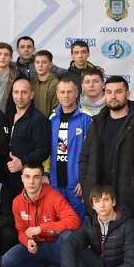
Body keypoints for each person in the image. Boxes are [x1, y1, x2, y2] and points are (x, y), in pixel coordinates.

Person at [79, 76, 134, 221]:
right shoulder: (97, 123)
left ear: (127, 94)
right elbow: (84, 157)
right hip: (99, 202)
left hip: (129, 203)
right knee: (99, 237)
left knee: (130, 237)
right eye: (109, 92)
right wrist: (87, 187)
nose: (113, 96)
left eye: (118, 92)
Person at [0, 163, 81, 267]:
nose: (31, 182)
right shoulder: (17, 202)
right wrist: (27, 241)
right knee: (7, 262)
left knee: (68, 236)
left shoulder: (54, 196)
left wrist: (41, 228)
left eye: (36, 177)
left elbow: (74, 221)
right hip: (36, 248)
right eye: (27, 177)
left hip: (56, 247)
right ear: (22, 178)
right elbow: (20, 230)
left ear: (42, 179)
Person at [45, 79, 92, 219]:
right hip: (55, 184)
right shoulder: (52, 118)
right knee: (57, 225)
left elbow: (94, 153)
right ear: (57, 94)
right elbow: (47, 150)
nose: (66, 95)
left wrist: (85, 180)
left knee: (77, 225)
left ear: (77, 93)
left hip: (77, 186)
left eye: (70, 92)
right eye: (62, 92)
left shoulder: (87, 118)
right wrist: (46, 174)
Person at [5, 79, 51, 199]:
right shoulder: (9, 116)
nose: (19, 97)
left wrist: (23, 162)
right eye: (16, 92)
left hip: (28, 182)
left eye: (24, 92)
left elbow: (44, 150)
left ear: (31, 95)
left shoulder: (38, 119)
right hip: (8, 179)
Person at [0, 36, 67, 83]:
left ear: (34, 49)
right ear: (17, 50)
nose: (26, 50)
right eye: (22, 47)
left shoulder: (42, 65)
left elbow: (66, 73)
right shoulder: (12, 66)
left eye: (29, 47)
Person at [0, 42, 26, 114]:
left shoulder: (19, 77)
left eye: (6, 55)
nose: (2, 57)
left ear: (11, 58)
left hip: (9, 118)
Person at [30, 50, 60, 118]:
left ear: (50, 64)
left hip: (49, 122)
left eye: (44, 62)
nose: (40, 65)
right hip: (32, 123)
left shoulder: (56, 84)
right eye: (37, 62)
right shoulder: (31, 83)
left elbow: (57, 108)